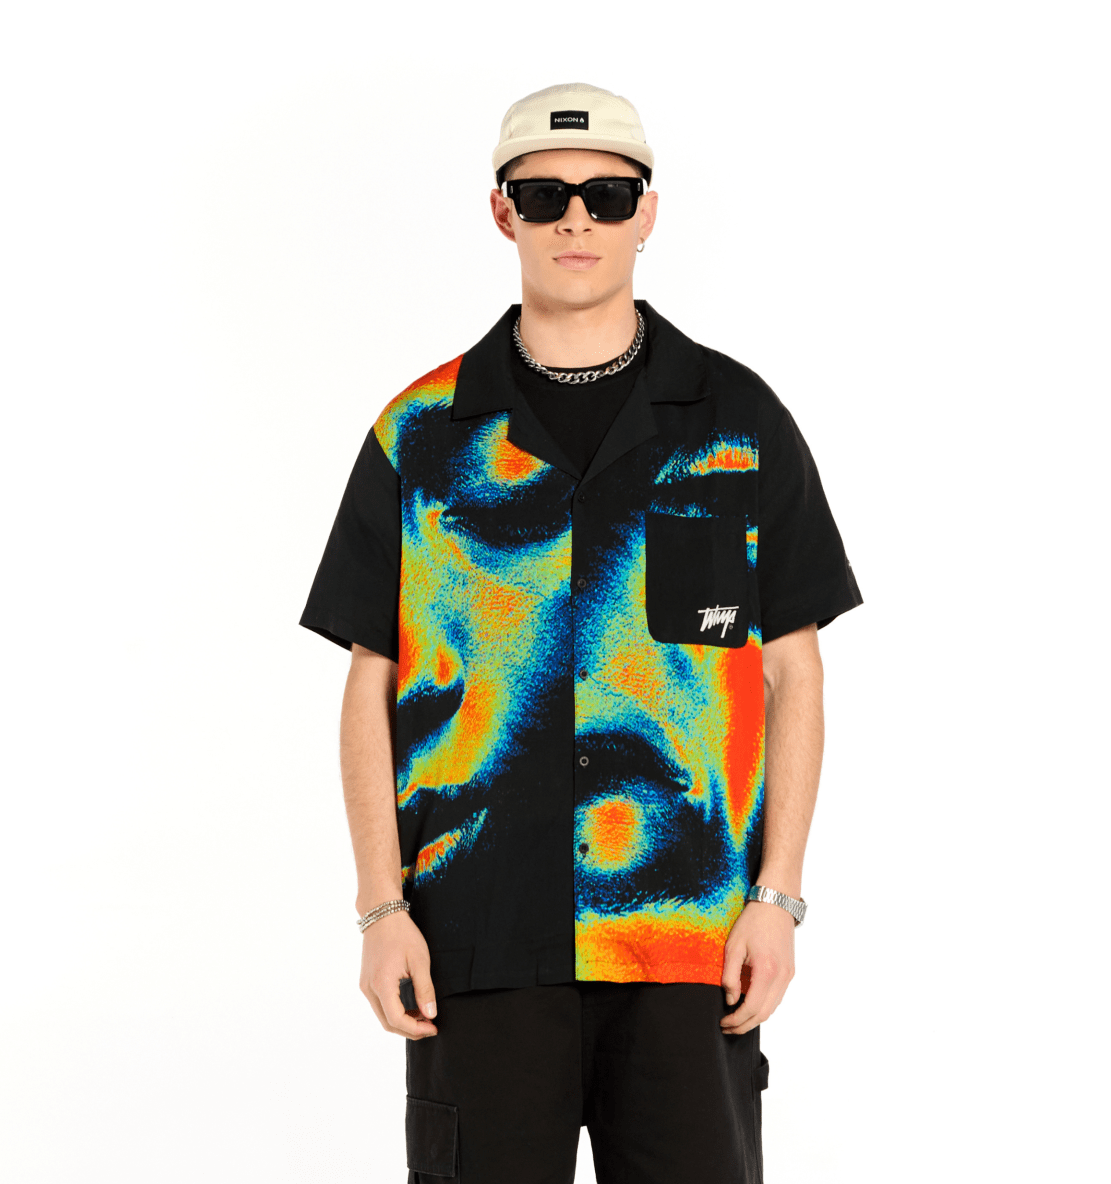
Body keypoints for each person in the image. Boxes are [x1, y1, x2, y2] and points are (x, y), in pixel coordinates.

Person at [300, 82, 862, 1184]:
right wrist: (380, 908)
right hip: (477, 935)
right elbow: (371, 677)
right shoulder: (421, 434)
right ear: (500, 211)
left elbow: (794, 675)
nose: (575, 220)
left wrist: (778, 899)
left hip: (689, 936)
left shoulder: (740, 424)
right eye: (544, 195)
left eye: (606, 196)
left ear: (647, 212)